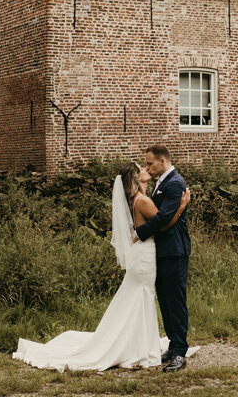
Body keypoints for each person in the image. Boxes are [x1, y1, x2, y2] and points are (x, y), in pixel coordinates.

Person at [11, 161, 191, 371]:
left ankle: (141, 345)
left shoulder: (135, 198)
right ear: (135, 178)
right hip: (145, 256)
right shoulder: (142, 200)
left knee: (140, 297)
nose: (146, 169)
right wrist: (181, 206)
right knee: (143, 297)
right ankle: (141, 347)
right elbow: (163, 223)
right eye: (141, 168)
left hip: (142, 255)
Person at [132, 144, 192, 372]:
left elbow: (164, 219)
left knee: (175, 301)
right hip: (162, 251)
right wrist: (144, 184)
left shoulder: (175, 184)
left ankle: (179, 352)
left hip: (175, 251)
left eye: (149, 164)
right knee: (166, 301)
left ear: (163, 162)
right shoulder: (162, 182)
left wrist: (140, 233)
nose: (146, 167)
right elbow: (152, 210)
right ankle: (173, 344)